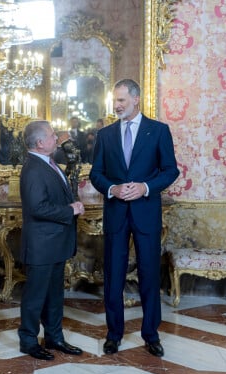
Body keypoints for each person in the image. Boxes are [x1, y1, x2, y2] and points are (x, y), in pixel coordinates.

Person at [89, 79, 179, 357]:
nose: (116, 106)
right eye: (115, 101)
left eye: (122, 101)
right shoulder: (105, 135)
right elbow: (96, 173)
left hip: (146, 213)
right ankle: (113, 334)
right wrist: (112, 188)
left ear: (136, 99)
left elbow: (170, 170)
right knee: (113, 275)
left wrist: (145, 187)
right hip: (116, 213)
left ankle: (151, 334)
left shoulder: (159, 131)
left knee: (149, 274)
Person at [18, 120, 85, 360]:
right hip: (41, 246)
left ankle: (55, 337)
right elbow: (38, 207)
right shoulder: (34, 168)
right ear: (40, 142)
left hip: (54, 244)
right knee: (35, 297)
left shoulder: (48, 163)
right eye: (52, 135)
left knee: (54, 296)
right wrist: (71, 210)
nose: (57, 138)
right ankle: (28, 341)